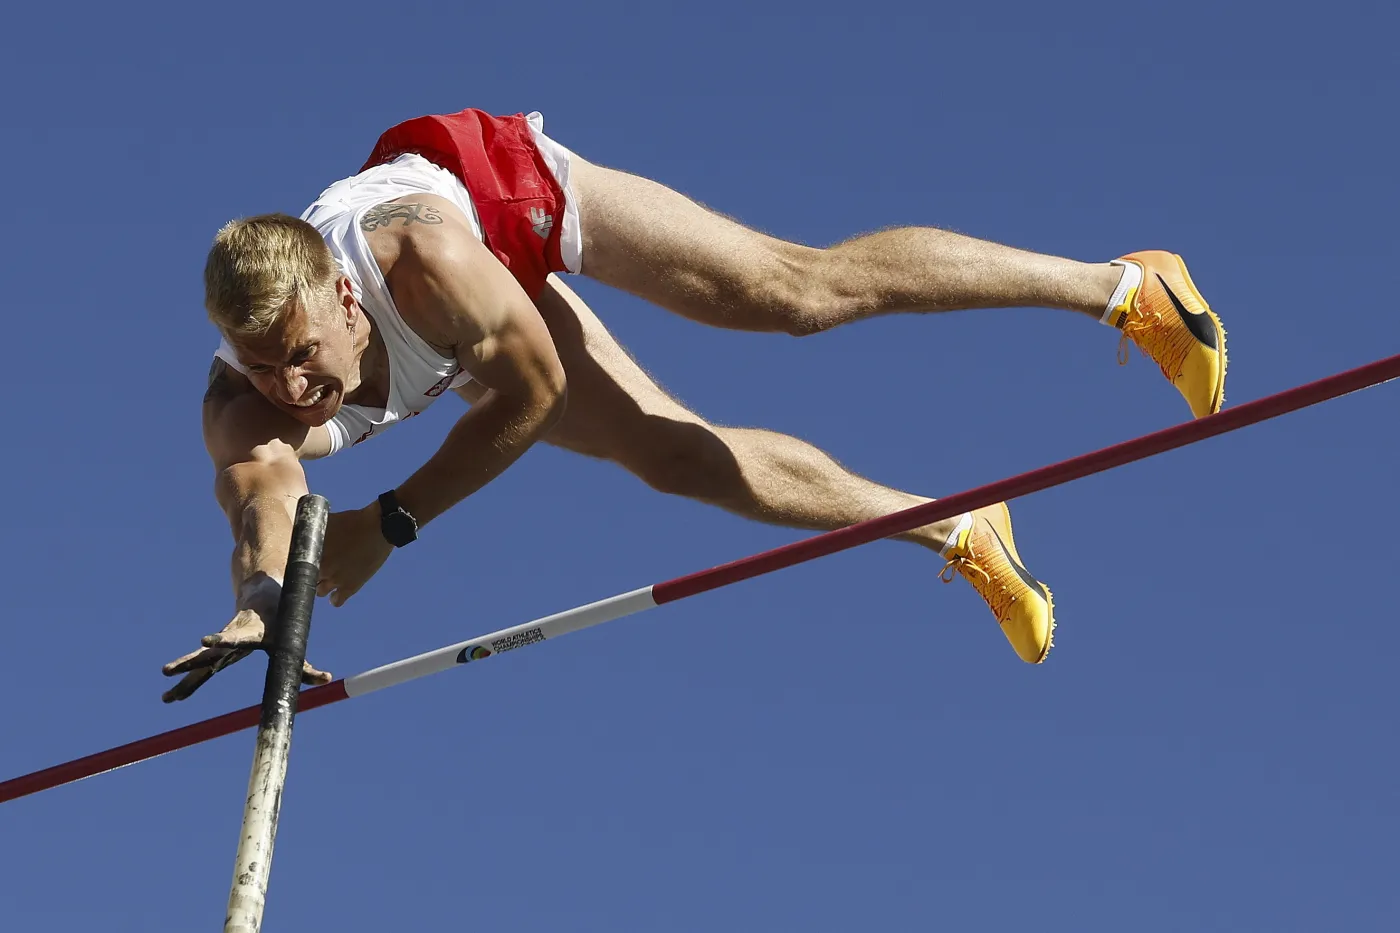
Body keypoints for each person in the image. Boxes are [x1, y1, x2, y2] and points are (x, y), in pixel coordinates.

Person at [162, 108, 1226, 702]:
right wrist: (266, 597)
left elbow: (528, 396)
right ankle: (955, 526)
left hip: (492, 193)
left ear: (346, 300)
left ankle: (1123, 286)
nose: (294, 392)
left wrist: (390, 524)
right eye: (263, 371)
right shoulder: (247, 401)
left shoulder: (428, 264)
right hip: (464, 329)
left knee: (793, 295)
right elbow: (264, 494)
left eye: (303, 358)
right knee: (674, 460)